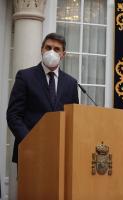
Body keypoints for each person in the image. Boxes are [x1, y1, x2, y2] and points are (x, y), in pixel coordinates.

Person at [7, 33, 79, 163]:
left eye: (57, 49)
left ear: (63, 54)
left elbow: (73, 118)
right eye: (48, 47)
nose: (52, 52)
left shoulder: (71, 83)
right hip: (30, 151)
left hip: (60, 154)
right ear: (42, 49)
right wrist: (30, 141)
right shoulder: (25, 76)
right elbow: (13, 115)